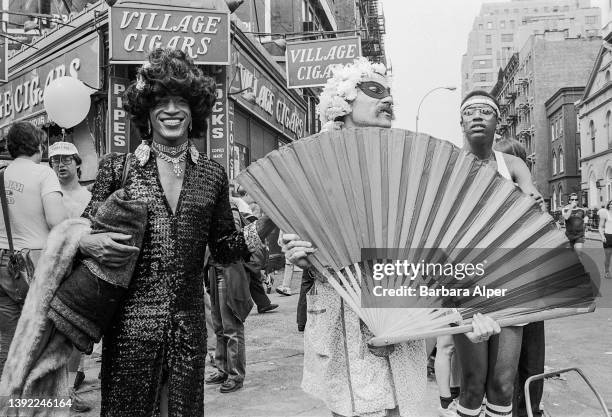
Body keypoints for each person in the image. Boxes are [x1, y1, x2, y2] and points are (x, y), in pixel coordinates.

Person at [281, 58, 501, 417]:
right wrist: (297, 250)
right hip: (341, 322)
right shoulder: (314, 162)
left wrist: (470, 312)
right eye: (374, 90)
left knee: (400, 408)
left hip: (401, 317)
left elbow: (440, 248)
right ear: (344, 102)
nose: (387, 99)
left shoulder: (408, 165)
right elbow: (294, 229)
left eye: (389, 92)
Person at [77, 48, 272, 416]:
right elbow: (82, 231)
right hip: (130, 328)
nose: (171, 109)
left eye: (180, 100)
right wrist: (89, 240)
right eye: (161, 101)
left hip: (188, 327)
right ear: (146, 111)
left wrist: (267, 222)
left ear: (193, 110)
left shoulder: (212, 175)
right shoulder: (119, 169)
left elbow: (225, 249)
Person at [456, 91, 544, 417]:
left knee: (503, 383)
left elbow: (531, 199)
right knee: (472, 383)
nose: (477, 116)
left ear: (497, 123)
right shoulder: (449, 163)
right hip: (466, 282)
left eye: (485, 111)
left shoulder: (513, 165)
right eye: (469, 112)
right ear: (461, 122)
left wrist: (534, 204)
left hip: (510, 277)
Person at [0, 122, 66, 376]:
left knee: (7, 337)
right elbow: (56, 221)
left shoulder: (2, 174)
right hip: (35, 264)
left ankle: (8, 403)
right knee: (42, 337)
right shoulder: (44, 174)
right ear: (39, 146)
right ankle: (38, 403)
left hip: (3, 263)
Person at [495, 138, 545, 417]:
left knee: (528, 360)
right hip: (507, 292)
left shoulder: (530, 198)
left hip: (528, 289)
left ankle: (529, 409)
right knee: (510, 366)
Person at [48, 141, 93, 413]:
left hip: (83, 272)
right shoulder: (49, 196)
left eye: (66, 159)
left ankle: (69, 391)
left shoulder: (91, 197)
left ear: (78, 163)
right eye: (55, 161)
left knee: (76, 334)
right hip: (53, 271)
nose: (61, 164)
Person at [598, 201, 612, 279]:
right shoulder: (605, 214)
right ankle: (607, 271)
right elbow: (600, 227)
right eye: (611, 204)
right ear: (609, 205)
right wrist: (602, 236)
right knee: (608, 257)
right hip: (608, 237)